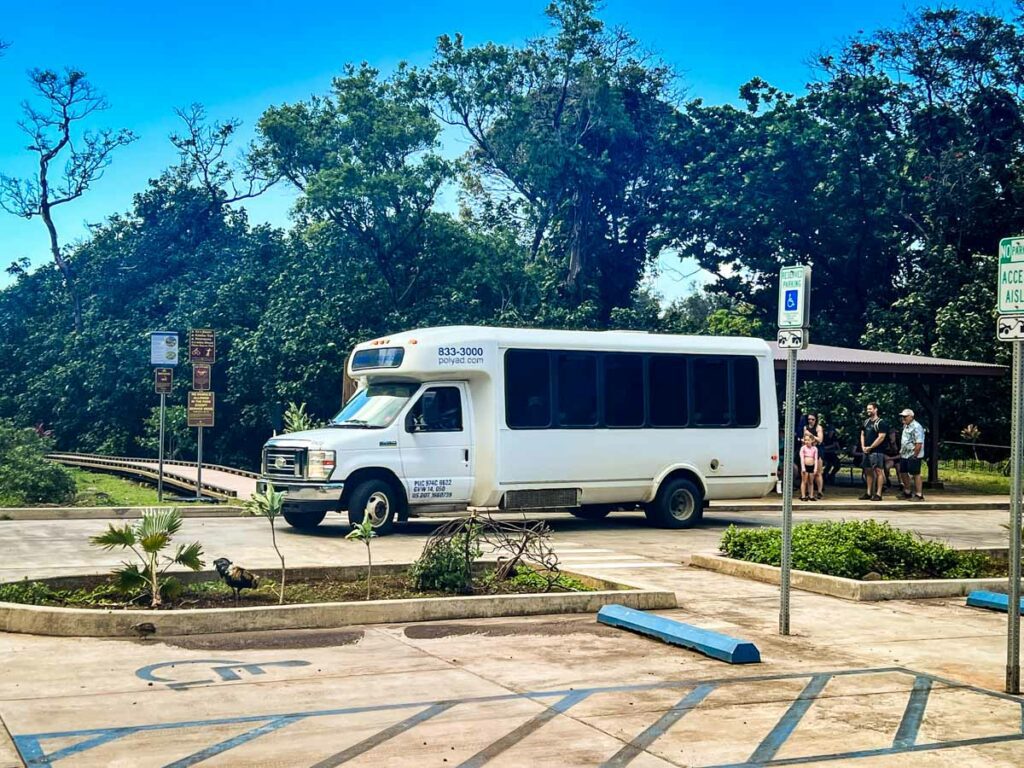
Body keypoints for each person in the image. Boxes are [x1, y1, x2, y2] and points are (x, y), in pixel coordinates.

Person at [859, 402, 889, 501]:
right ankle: (868, 492)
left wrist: (871, 447)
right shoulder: (866, 422)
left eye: (870, 409)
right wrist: (863, 446)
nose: (868, 411)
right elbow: (862, 434)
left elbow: (881, 437)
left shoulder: (881, 423)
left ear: (876, 409)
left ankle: (878, 493)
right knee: (867, 471)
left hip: (877, 451)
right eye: (867, 409)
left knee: (878, 471)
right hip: (866, 451)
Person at [899, 408, 926, 501]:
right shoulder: (906, 425)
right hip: (905, 454)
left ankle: (919, 494)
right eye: (902, 416)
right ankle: (907, 491)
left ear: (911, 417)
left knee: (915, 473)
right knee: (903, 472)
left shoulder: (917, 426)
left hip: (913, 454)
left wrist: (915, 455)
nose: (903, 418)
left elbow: (919, 442)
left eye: (905, 416)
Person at [803, 413, 825, 499]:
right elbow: (804, 438)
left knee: (818, 472)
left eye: (812, 419)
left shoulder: (818, 428)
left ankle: (819, 491)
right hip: (808, 450)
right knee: (809, 472)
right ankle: (809, 491)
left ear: (816, 420)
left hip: (818, 450)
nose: (811, 421)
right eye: (809, 419)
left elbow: (820, 440)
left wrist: (811, 435)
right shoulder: (805, 427)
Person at [799, 434, 819, 502]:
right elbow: (802, 458)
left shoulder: (815, 448)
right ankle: (803, 495)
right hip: (805, 466)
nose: (807, 441)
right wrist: (803, 468)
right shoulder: (803, 448)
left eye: (808, 440)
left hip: (812, 466)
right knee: (804, 481)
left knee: (811, 481)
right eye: (805, 440)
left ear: (812, 440)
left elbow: (816, 459)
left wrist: (815, 468)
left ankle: (811, 495)